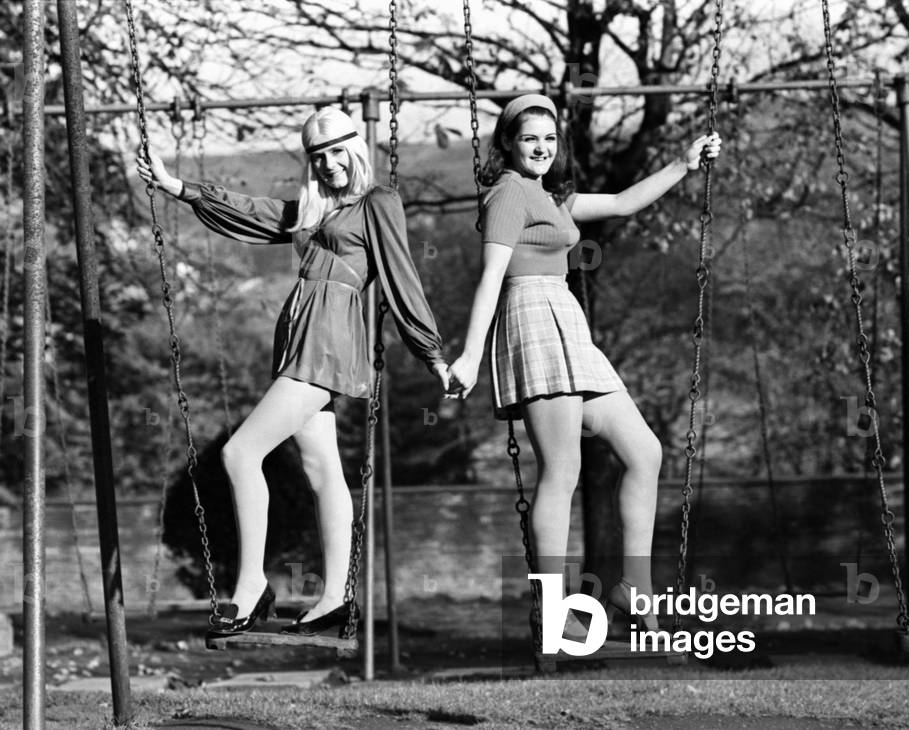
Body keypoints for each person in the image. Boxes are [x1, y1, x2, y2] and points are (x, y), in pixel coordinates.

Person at [137, 107, 449, 638]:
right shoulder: (316, 210)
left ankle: (251, 585)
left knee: (241, 453)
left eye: (335, 152)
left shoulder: (378, 203)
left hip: (327, 342)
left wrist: (432, 353)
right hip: (302, 339)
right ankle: (335, 595)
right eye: (317, 157)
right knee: (323, 468)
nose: (329, 165)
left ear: (355, 149)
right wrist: (180, 188)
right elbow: (257, 213)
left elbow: (402, 278)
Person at [446, 94, 721, 636]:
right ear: (509, 144)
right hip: (531, 318)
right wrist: (471, 356)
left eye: (549, 138)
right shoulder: (506, 193)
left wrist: (681, 164)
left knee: (645, 451)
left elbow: (621, 203)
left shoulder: (549, 197)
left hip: (567, 322)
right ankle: (553, 607)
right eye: (530, 139)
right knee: (562, 470)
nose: (542, 147)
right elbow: (490, 278)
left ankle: (633, 588)